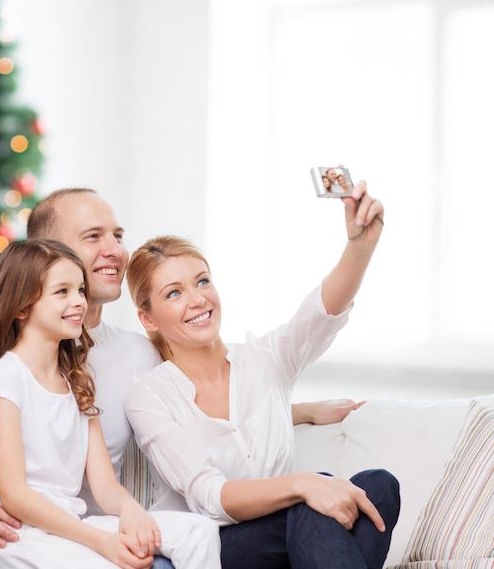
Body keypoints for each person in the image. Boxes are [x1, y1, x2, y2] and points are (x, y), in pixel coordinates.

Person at [0, 188, 362, 569]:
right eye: (93, 237)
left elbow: (200, 403)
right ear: (45, 252)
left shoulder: (139, 355)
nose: (114, 250)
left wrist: (298, 411)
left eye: (118, 235)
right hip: (0, 541)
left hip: (89, 535)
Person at [124, 181, 401, 569]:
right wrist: (302, 483)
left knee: (378, 485)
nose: (198, 299)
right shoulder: (149, 396)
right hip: (216, 547)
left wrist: (360, 246)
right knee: (313, 497)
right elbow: (210, 496)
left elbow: (320, 316)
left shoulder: (264, 360)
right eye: (174, 293)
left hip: (293, 535)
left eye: (202, 280)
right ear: (148, 318)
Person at [0, 238, 220, 568]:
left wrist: (131, 512)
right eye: (62, 292)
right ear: (22, 307)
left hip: (72, 524)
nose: (79, 302)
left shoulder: (77, 382)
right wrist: (103, 542)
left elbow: (105, 486)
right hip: (20, 534)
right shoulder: (5, 377)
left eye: (81, 290)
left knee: (199, 532)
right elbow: (14, 495)